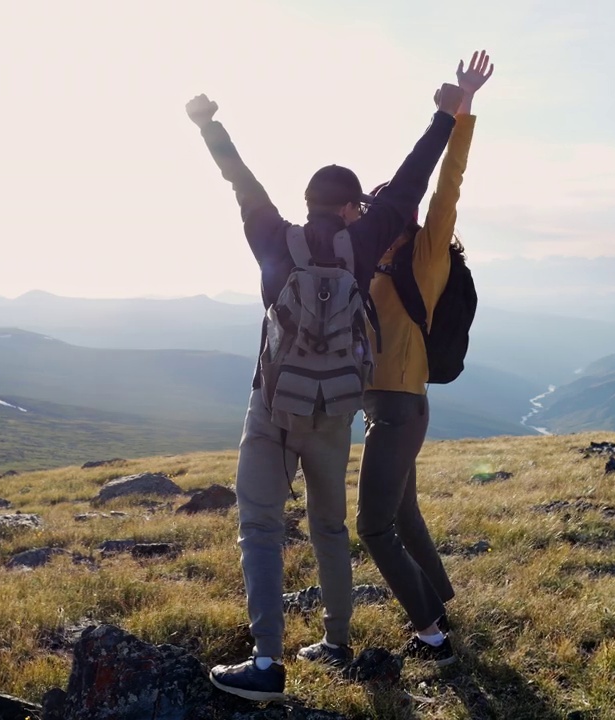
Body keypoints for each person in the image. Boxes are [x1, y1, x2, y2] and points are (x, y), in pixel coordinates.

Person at [185, 82, 463, 701]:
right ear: (352, 207)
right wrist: (444, 115)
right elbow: (413, 179)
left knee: (259, 526)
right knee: (330, 528)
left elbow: (239, 179)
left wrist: (207, 123)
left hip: (273, 409)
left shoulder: (270, 236)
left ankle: (265, 663)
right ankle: (336, 641)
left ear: (309, 202)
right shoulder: (363, 244)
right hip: (336, 413)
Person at [356, 50, 494, 668]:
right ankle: (439, 596)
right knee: (404, 514)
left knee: (374, 527)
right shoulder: (369, 259)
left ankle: (431, 633)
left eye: (382, 206)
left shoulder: (426, 250)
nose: (373, 213)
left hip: (401, 407)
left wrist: (462, 109)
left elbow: (449, 183)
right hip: (385, 406)